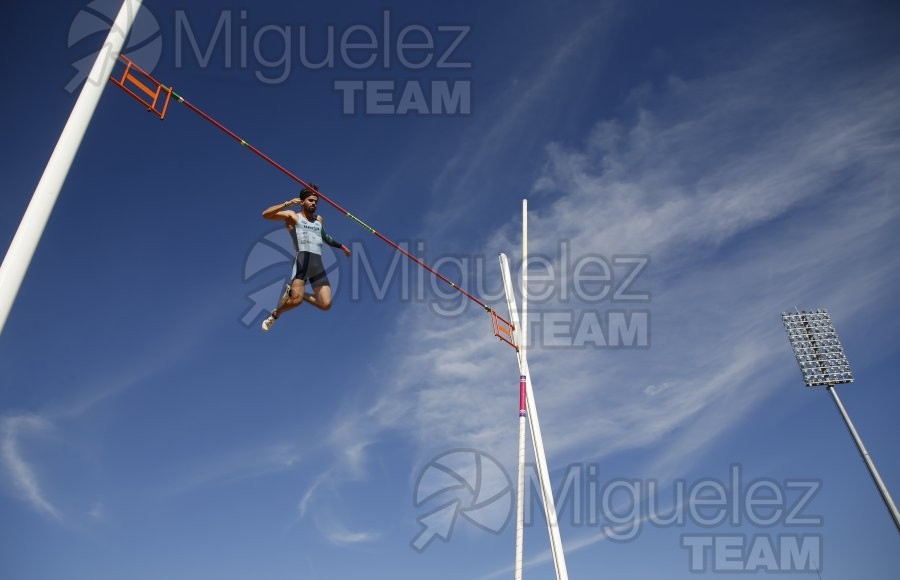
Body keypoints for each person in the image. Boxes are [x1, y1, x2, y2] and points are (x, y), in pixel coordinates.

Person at [260, 184, 351, 331]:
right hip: (303, 260)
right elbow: (266, 215)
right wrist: (287, 203)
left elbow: (325, 237)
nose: (314, 203)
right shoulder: (292, 216)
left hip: (317, 264)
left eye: (316, 201)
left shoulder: (318, 220)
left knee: (325, 304)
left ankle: (295, 293)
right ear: (302, 202)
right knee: (295, 302)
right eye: (310, 200)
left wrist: (341, 246)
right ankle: (275, 314)